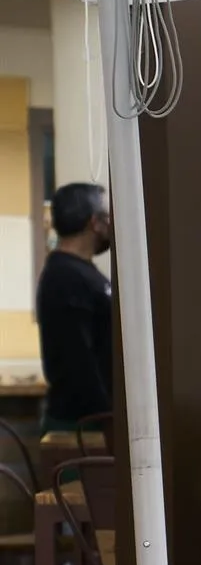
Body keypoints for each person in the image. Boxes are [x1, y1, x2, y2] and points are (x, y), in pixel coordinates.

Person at [36, 182, 115, 432]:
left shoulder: (81, 272)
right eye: (108, 216)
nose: (112, 224)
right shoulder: (65, 278)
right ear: (95, 222)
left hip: (94, 419)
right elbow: (78, 361)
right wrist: (107, 417)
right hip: (81, 425)